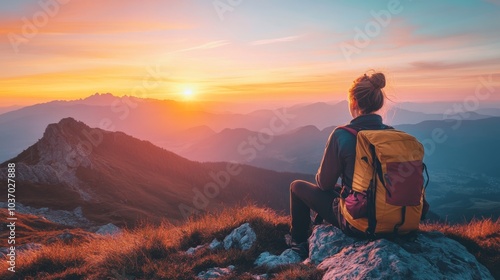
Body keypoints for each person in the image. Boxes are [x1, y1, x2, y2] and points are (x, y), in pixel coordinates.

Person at [288, 71, 391, 257]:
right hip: (394, 217)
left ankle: (298, 243)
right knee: (340, 189)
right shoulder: (392, 135)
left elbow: (324, 184)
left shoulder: (342, 135)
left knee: (297, 186)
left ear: (355, 102)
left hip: (360, 222)